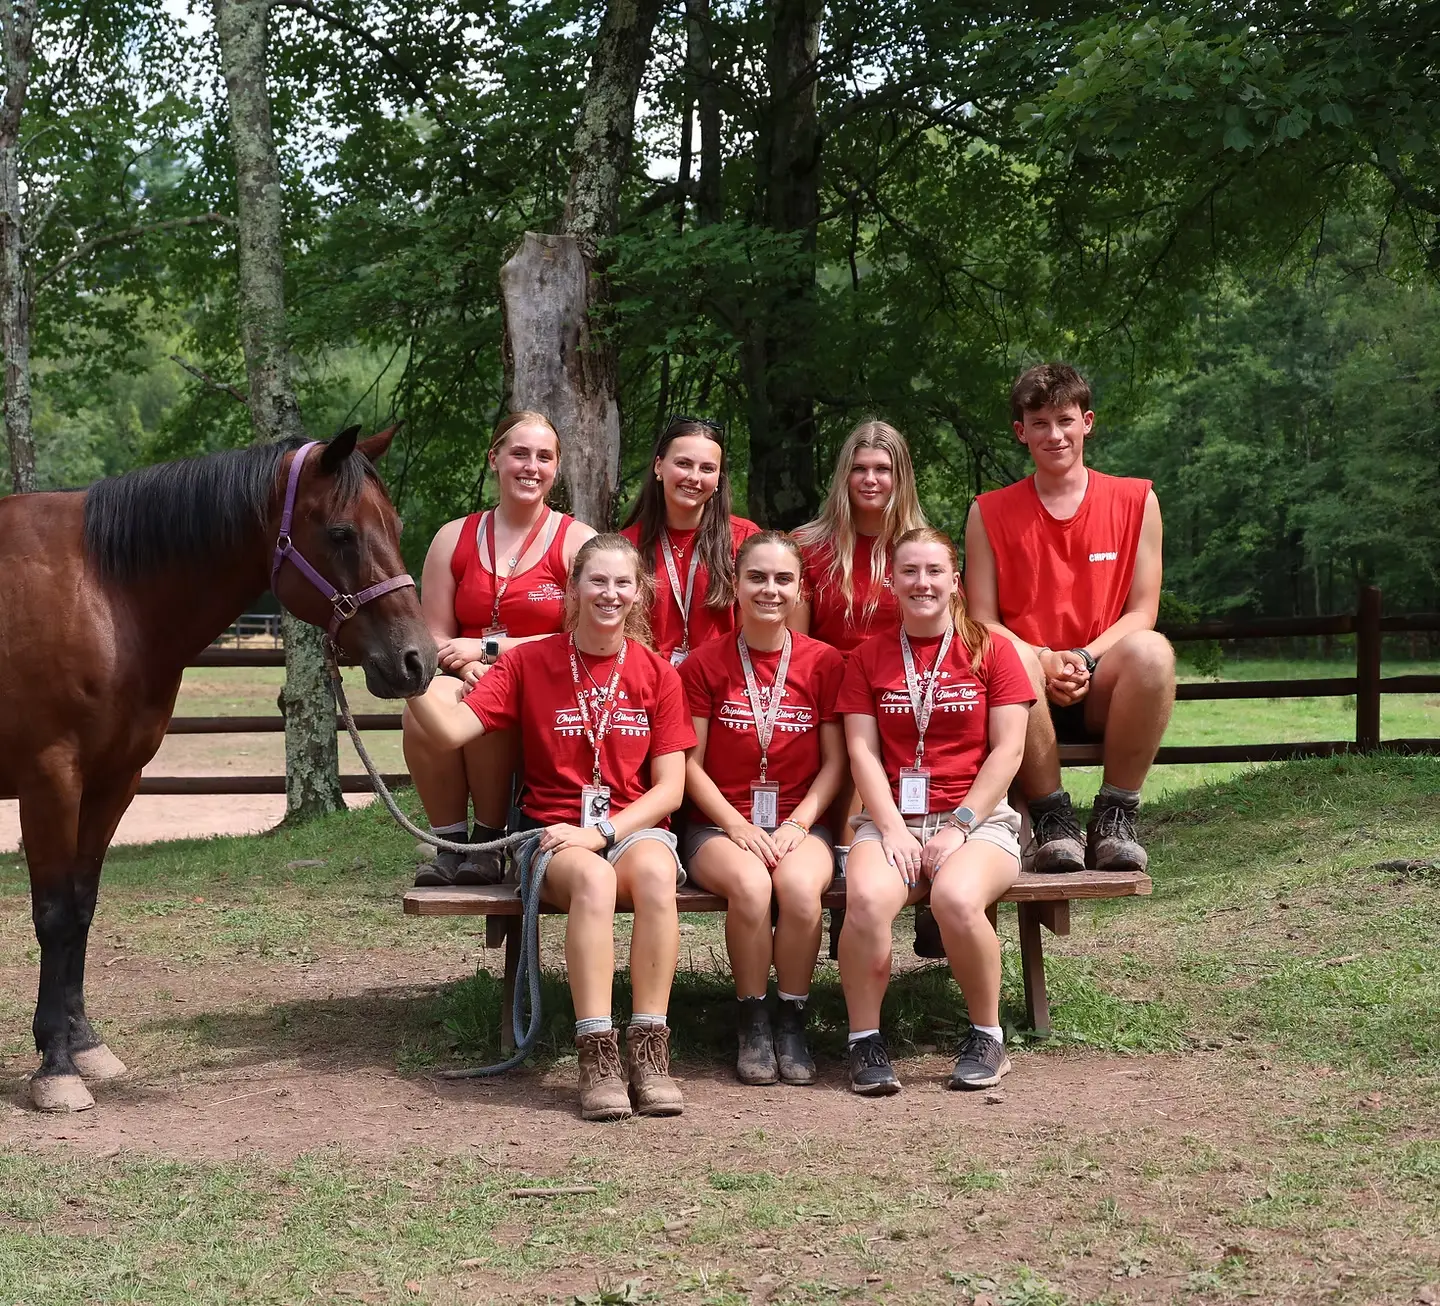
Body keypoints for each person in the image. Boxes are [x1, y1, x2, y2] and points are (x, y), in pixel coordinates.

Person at [406, 535, 695, 1122]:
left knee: (658, 875)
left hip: (629, 825)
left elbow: (669, 788)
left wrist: (607, 830)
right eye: (597, 582)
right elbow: (453, 731)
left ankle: (649, 1048)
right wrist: (405, 680)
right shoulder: (528, 662)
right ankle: (597, 1054)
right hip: (554, 834)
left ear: (638, 594)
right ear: (574, 590)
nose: (609, 594)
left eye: (622, 584)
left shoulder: (658, 674)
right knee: (590, 880)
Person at [835, 528, 1034, 1095]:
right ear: (891, 582)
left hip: (978, 820)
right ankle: (864, 1042)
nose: (922, 583)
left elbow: (1009, 751)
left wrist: (958, 826)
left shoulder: (992, 650)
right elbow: (861, 752)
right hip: (891, 819)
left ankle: (987, 1036)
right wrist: (894, 829)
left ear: (955, 581)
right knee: (869, 899)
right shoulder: (868, 657)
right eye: (910, 572)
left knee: (954, 898)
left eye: (934, 572)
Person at [965, 363, 1174, 874]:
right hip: (1021, 687)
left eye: (1064, 419)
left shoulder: (1135, 499)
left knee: (1154, 651)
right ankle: (1052, 818)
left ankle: (1115, 815)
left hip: (1102, 679)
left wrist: (1081, 657)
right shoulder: (987, 511)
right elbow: (982, 618)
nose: (1054, 434)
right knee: (1005, 651)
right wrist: (1041, 657)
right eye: (1039, 423)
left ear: (1087, 421)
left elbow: (1143, 611)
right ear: (1021, 432)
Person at [679, 533, 847, 1087]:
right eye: (757, 577)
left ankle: (792, 1017)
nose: (769, 590)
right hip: (718, 825)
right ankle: (752, 1017)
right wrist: (738, 825)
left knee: (800, 891)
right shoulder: (704, 664)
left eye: (782, 579)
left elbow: (836, 762)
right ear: (735, 583)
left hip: (803, 823)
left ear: (800, 589)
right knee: (751, 886)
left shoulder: (824, 663)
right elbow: (689, 765)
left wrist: (800, 822)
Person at [403, 411, 594, 886]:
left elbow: (584, 637)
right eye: (519, 454)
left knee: (491, 696)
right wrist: (463, 662)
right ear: (495, 459)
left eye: (544, 457)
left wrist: (490, 653)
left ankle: (489, 842)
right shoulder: (454, 537)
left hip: (549, 682)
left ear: (556, 467)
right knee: (420, 707)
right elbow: (435, 634)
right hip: (461, 673)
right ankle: (450, 844)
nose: (531, 466)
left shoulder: (577, 541)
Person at [622, 415, 760, 665]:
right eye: (683, 463)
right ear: (658, 467)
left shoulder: (746, 540)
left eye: (707, 468)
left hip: (724, 685)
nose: (694, 477)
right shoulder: (625, 547)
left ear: (718, 479)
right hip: (651, 684)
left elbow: (757, 633)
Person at [790, 419, 927, 654]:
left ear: (901, 478)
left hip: (903, 684)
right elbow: (795, 650)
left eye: (883, 469)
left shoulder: (926, 550)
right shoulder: (806, 546)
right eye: (859, 468)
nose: (870, 479)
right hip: (830, 683)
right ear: (844, 475)